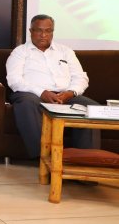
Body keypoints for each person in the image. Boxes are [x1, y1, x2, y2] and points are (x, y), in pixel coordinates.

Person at [6, 14, 100, 159]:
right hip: (32, 94)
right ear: (30, 31)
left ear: (52, 32)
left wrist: (71, 92)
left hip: (65, 96)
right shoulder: (19, 52)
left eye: (48, 31)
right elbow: (14, 80)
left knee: (92, 108)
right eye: (39, 30)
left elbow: (80, 77)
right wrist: (42, 92)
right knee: (26, 103)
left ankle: (86, 161)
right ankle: (44, 160)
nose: (43, 35)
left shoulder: (65, 51)